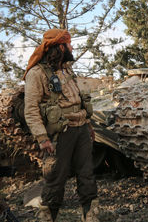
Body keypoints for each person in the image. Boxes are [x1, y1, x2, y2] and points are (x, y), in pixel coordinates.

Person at [23, 29, 98, 222]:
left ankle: (90, 215)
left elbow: (78, 101)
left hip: (81, 128)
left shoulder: (67, 69)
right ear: (60, 47)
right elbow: (30, 110)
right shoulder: (37, 73)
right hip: (59, 134)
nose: (72, 47)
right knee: (55, 179)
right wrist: (42, 138)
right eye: (69, 44)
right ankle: (47, 217)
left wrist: (88, 126)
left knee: (87, 174)